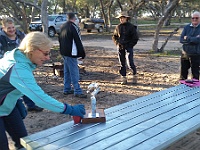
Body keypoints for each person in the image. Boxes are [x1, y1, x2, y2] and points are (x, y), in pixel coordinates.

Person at [0, 31, 85, 150]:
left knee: (23, 141)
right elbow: (40, 99)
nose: (48, 57)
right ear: (32, 49)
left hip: (7, 106)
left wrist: (14, 100)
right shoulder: (18, 67)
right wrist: (69, 109)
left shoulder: (19, 56)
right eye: (45, 53)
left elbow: (12, 84)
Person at [0, 17, 43, 112]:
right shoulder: (1, 39)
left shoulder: (21, 35)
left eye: (12, 27)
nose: (11, 30)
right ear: (3, 28)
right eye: (8, 28)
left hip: (23, 65)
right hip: (8, 70)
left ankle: (30, 105)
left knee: (27, 85)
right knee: (13, 93)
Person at [59, 13, 87, 98]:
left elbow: (59, 39)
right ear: (74, 18)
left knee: (67, 71)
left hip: (64, 52)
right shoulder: (73, 27)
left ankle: (66, 88)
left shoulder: (63, 26)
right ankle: (77, 90)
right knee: (74, 72)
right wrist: (82, 53)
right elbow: (78, 40)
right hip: (71, 53)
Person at [112, 11, 139, 85]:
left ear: (126, 18)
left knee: (130, 62)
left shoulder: (131, 27)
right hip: (120, 47)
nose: (121, 19)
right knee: (122, 63)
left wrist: (130, 45)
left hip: (128, 47)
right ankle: (123, 78)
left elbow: (135, 38)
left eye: (123, 18)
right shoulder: (118, 27)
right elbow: (114, 36)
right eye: (120, 18)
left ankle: (134, 76)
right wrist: (117, 43)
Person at [180, 11, 200, 80]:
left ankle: (195, 89)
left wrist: (187, 38)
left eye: (196, 18)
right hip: (185, 53)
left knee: (195, 72)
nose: (194, 19)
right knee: (183, 72)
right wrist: (193, 39)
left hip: (196, 54)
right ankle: (182, 86)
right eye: (193, 18)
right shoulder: (186, 27)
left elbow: (198, 40)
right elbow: (181, 39)